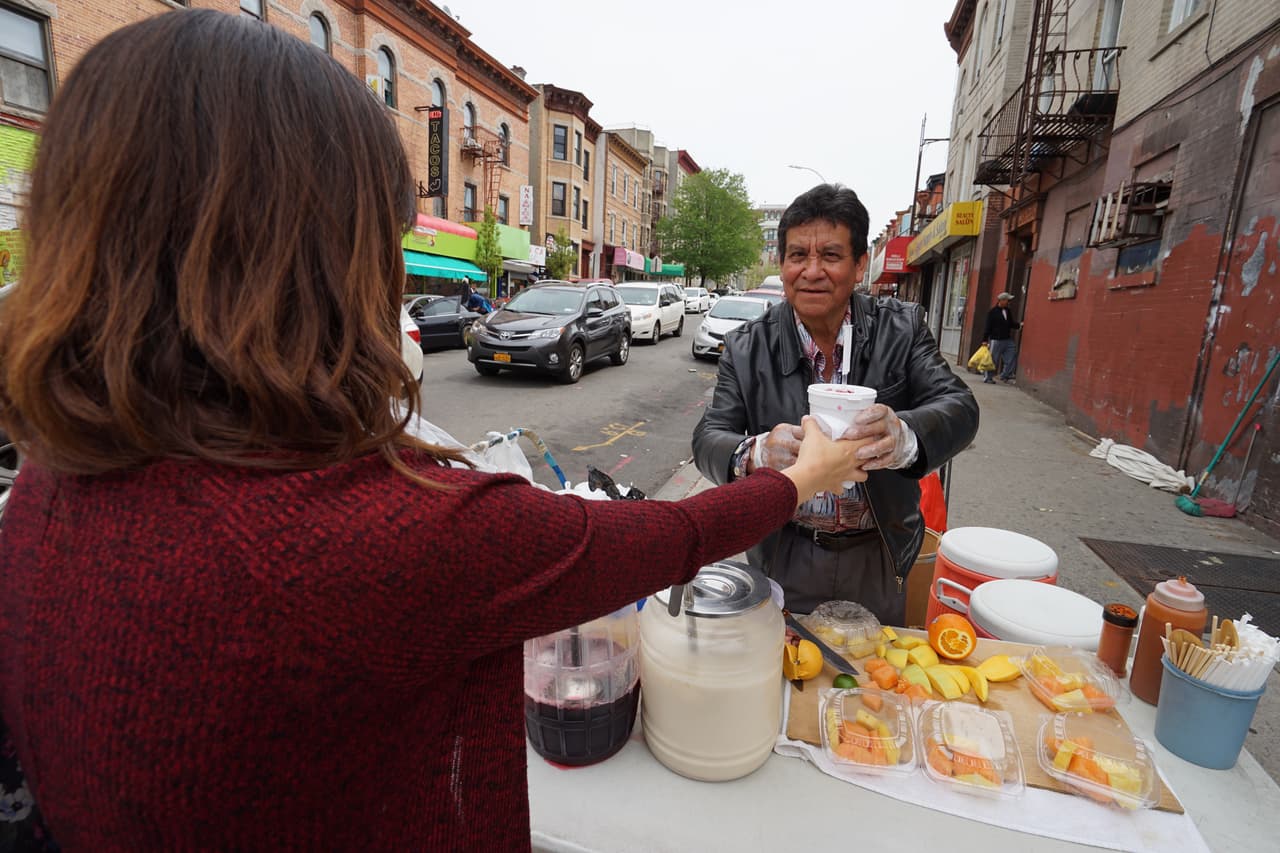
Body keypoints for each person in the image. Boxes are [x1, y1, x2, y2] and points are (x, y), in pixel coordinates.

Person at [0, 12, 868, 851]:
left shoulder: (49, 483)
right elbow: (663, 538)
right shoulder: (374, 533)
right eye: (383, 236)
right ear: (313, 257)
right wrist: (797, 478)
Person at [693, 184, 979, 624]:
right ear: (782, 264)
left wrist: (902, 436)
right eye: (797, 256)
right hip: (784, 549)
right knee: (787, 659)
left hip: (878, 552)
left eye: (830, 255)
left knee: (876, 662)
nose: (812, 272)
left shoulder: (901, 330)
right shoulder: (747, 347)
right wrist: (756, 453)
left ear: (860, 264)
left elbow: (960, 406)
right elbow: (708, 438)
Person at [982, 291, 1021, 384]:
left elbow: (1010, 323)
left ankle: (1005, 375)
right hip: (996, 340)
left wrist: (1019, 325)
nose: (1009, 302)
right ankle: (988, 377)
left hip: (1007, 339)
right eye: (1008, 300)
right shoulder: (992, 312)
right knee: (993, 360)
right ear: (1001, 300)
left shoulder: (1007, 311)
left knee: (1012, 355)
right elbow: (988, 326)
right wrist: (985, 340)